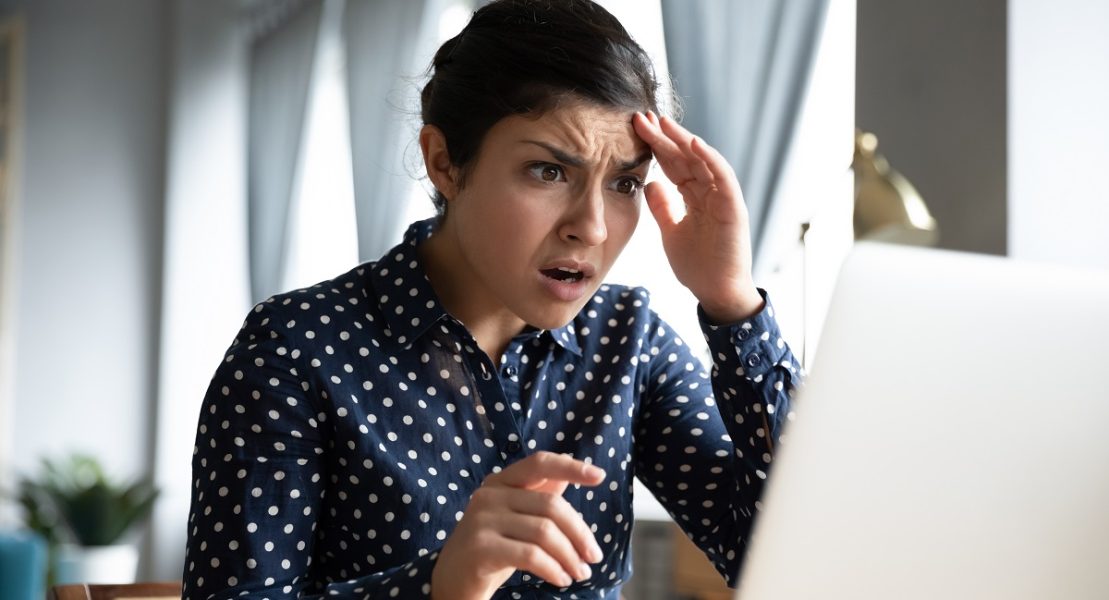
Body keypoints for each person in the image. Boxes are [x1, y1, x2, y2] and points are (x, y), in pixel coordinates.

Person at [182, 1, 801, 598]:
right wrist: (439, 587)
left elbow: (785, 555)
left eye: (624, 183)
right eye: (549, 172)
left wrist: (732, 301)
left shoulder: (628, 341)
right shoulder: (295, 352)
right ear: (444, 162)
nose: (592, 226)